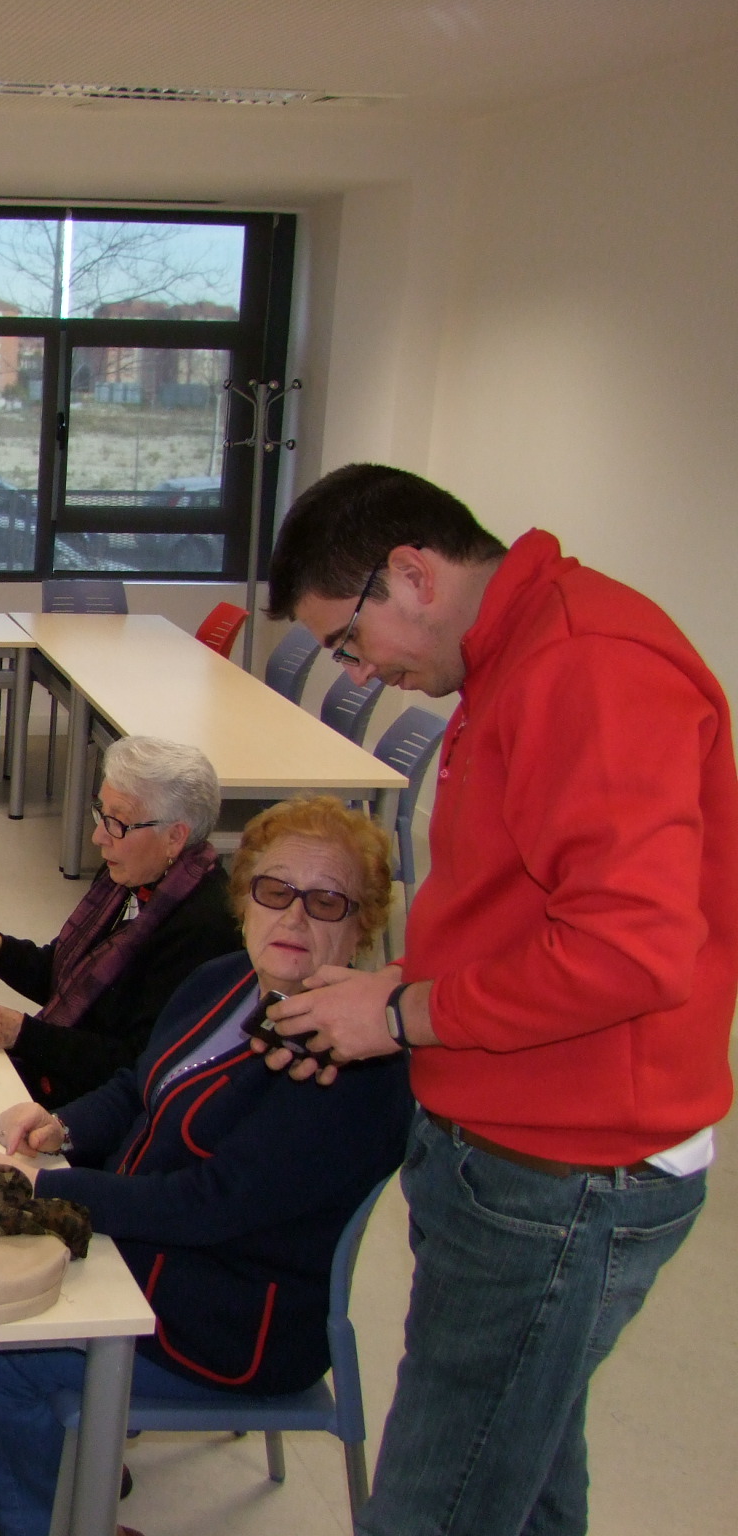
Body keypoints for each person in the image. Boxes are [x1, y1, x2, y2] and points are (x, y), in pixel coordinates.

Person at [257, 463, 736, 1536]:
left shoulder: (587, 667)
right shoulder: (517, 654)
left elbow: (629, 953)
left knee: (437, 1504)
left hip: (565, 1171)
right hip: (517, 1144)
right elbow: (532, 902)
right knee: (525, 1481)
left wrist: (400, 1016)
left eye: (348, 641)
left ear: (412, 575)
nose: (361, 673)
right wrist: (398, 985)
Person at [0, 795, 414, 1536]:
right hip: (150, 1248)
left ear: (363, 926)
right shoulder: (225, 979)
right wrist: (64, 1123)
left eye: (327, 901)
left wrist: (49, 1189)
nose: (294, 918)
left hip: (230, 1317)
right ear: (245, 899)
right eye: (274, 890)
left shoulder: (353, 1069)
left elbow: (210, 1203)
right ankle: (76, 1465)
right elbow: (140, 1081)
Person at [0, 736, 241, 1109]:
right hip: (65, 1074)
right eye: (101, 813)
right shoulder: (128, 878)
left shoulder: (203, 928)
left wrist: (23, 1034)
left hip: (100, 1107)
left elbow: (137, 1065)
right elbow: (66, 977)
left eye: (117, 823)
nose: (98, 836)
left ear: (174, 837)